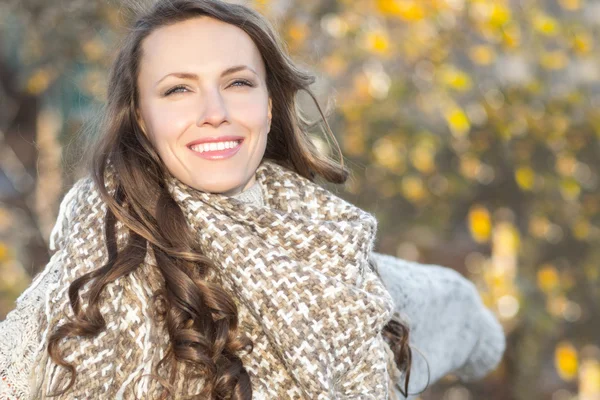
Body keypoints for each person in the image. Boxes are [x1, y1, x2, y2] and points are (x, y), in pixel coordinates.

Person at [0, 0, 506, 399]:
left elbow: (463, 314)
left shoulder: (339, 262)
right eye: (178, 90)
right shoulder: (83, 288)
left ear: (267, 104)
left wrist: (489, 344)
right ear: (139, 119)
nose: (214, 111)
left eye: (237, 83)